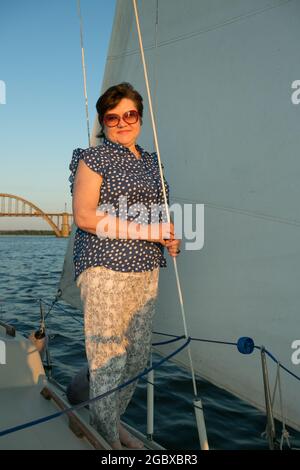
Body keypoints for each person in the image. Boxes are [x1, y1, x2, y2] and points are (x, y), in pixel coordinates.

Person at [69, 82, 181, 450]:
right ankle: (107, 444)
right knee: (109, 359)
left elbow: (156, 216)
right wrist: (149, 231)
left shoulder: (150, 161)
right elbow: (85, 216)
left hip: (146, 267)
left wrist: (166, 237)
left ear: (140, 117)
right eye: (111, 117)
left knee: (135, 357)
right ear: (103, 122)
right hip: (105, 266)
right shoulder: (93, 158)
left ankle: (108, 422)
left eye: (129, 114)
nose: (121, 122)